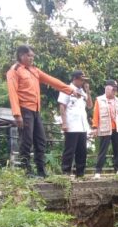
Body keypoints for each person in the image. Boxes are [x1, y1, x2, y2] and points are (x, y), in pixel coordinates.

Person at [6, 45, 78, 177]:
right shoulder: (14, 71)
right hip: (24, 110)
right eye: (29, 56)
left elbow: (53, 81)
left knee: (40, 140)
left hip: (36, 110)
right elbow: (12, 93)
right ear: (22, 56)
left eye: (33, 56)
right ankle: (26, 171)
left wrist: (71, 91)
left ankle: (41, 170)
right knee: (26, 141)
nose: (32, 58)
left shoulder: (34, 70)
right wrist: (17, 114)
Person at [91, 79, 118, 178]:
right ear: (107, 88)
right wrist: (95, 127)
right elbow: (96, 114)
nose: (114, 91)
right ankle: (98, 171)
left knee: (117, 150)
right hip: (105, 128)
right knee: (103, 150)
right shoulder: (99, 100)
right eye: (113, 89)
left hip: (117, 128)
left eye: (115, 90)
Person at [58, 70, 93, 177]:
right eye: (81, 79)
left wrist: (87, 91)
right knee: (69, 150)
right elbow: (62, 106)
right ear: (75, 78)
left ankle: (80, 173)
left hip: (82, 126)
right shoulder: (67, 89)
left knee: (82, 151)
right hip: (71, 125)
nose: (83, 81)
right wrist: (64, 123)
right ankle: (66, 172)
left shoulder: (82, 91)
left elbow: (90, 106)